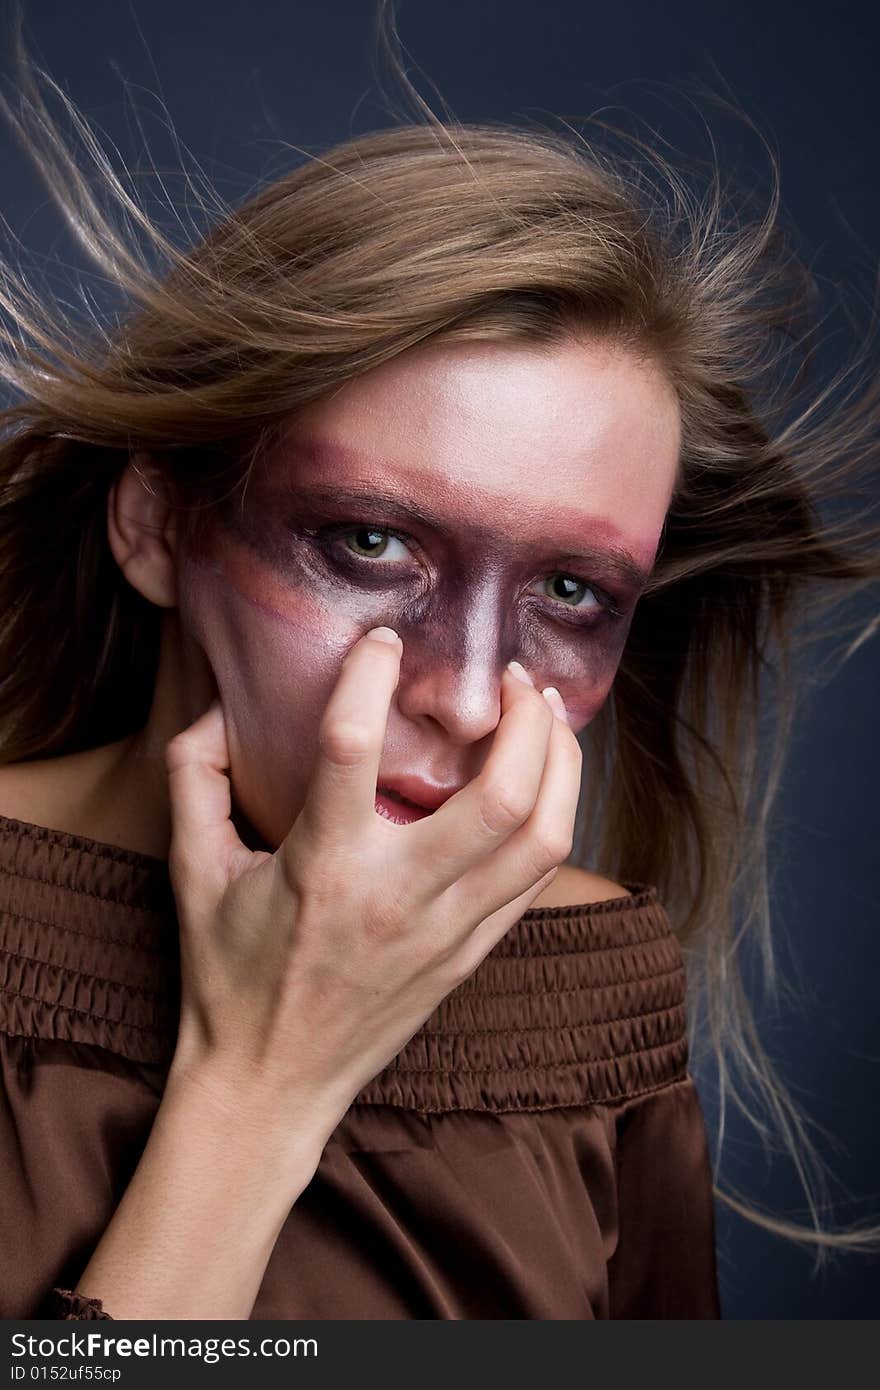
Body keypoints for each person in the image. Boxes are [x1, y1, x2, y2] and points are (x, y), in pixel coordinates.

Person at [0, 23, 877, 1321]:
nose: (467, 696)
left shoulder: (592, 993)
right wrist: (259, 1090)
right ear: (157, 523)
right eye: (370, 542)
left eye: (571, 592)